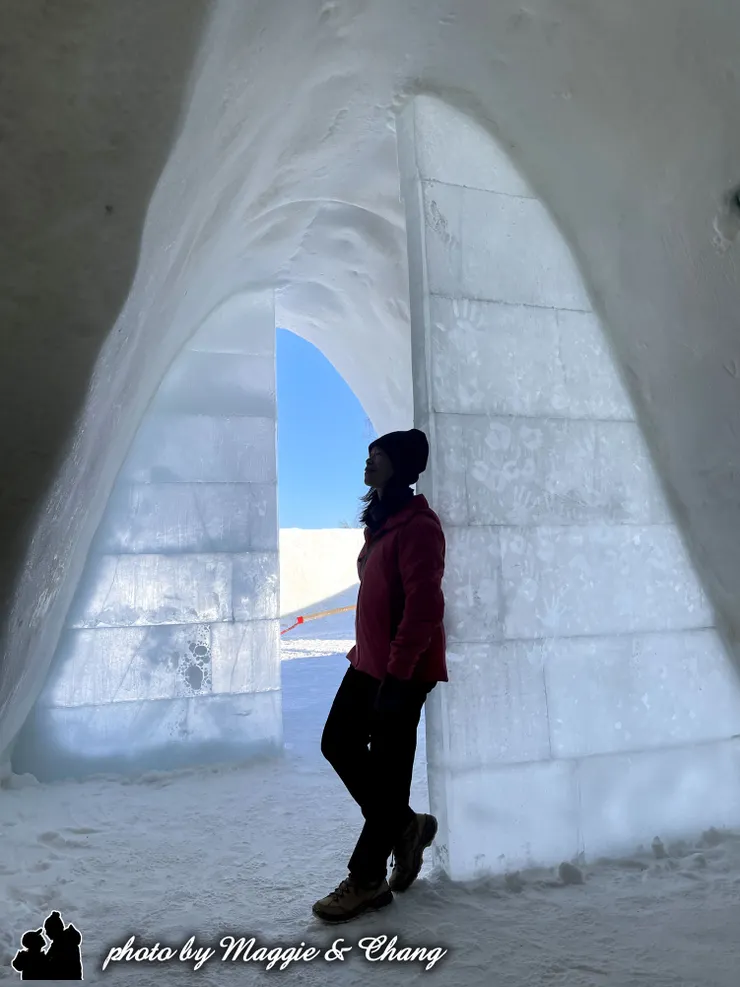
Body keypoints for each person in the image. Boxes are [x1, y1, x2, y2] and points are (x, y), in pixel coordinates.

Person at [313, 428, 447, 923]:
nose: (369, 462)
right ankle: (407, 826)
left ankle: (367, 880)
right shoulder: (383, 523)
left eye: (379, 455)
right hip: (368, 661)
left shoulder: (418, 526)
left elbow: (425, 606)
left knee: (388, 773)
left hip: (401, 671)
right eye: (369, 454)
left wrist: (399, 674)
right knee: (338, 742)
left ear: (401, 466)